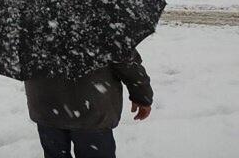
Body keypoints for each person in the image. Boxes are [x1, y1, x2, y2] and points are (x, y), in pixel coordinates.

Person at [24, 49, 153, 158]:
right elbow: (127, 62)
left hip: (47, 107)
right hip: (91, 111)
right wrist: (142, 96)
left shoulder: (30, 24)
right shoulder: (100, 21)